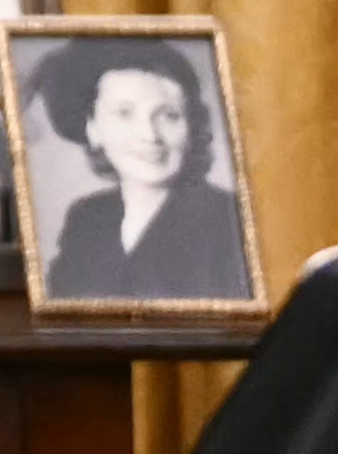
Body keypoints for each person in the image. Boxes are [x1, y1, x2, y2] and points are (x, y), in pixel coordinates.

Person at [27, 35, 255, 307]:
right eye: (124, 113)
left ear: (192, 126)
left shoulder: (228, 218)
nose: (149, 135)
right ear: (93, 128)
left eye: (169, 115)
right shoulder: (86, 218)